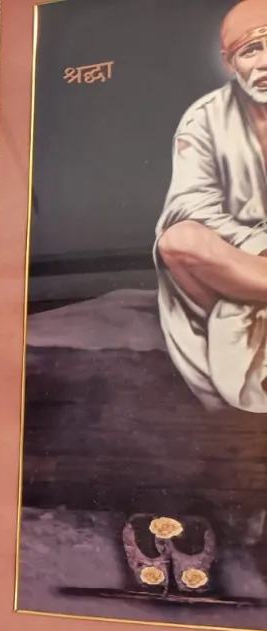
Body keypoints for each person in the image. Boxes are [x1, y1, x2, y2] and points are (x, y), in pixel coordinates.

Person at [155, 0, 267, 412]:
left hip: (249, 273)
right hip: (243, 259)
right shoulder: (203, 119)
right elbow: (191, 205)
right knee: (178, 241)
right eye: (251, 50)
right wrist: (258, 248)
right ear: (228, 62)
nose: (264, 63)